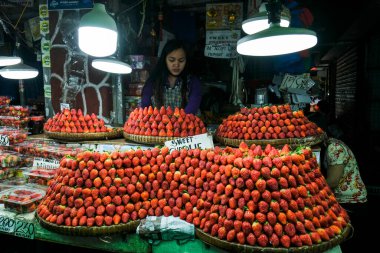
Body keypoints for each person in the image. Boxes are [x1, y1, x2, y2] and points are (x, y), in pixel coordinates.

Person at [321, 130, 368, 252]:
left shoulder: (334, 148)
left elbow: (333, 181)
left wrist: (313, 189)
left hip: (351, 202)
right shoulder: (332, 145)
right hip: (349, 200)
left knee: (348, 243)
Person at [141, 39, 202, 115]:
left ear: (186, 61)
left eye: (181, 60)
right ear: (164, 60)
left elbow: (191, 110)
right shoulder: (153, 82)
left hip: (186, 125)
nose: (176, 64)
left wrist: (177, 124)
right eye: (171, 60)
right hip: (157, 126)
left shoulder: (193, 82)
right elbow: (145, 108)